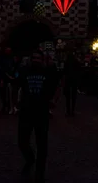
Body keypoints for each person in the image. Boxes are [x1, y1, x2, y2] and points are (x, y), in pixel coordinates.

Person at [17, 49, 61, 183]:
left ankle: (39, 173)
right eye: (34, 58)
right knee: (22, 141)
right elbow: (18, 85)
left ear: (42, 60)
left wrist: (54, 100)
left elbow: (58, 85)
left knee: (42, 144)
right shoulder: (25, 71)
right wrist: (17, 101)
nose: (36, 60)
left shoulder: (48, 72)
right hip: (26, 111)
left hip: (42, 112)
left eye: (38, 58)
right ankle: (30, 159)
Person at [63, 51, 81, 116]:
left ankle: (68, 111)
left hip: (68, 80)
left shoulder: (66, 62)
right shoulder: (76, 61)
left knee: (68, 97)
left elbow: (64, 72)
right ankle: (72, 110)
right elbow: (79, 70)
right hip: (74, 80)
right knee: (73, 96)